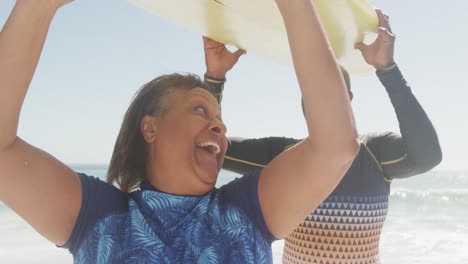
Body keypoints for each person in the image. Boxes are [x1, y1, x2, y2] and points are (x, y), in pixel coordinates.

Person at [0, 0, 360, 263]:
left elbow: (336, 147)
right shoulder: (99, 217)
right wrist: (37, 7)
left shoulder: (246, 211)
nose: (220, 128)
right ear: (150, 127)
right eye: (200, 109)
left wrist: (295, 6)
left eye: (218, 118)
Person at [203, 10, 442, 264]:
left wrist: (387, 69)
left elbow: (427, 156)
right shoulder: (283, 158)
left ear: (348, 98)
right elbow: (212, 150)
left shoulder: (376, 155)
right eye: (315, 92)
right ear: (304, 101)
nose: (324, 100)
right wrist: (214, 78)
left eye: (335, 92)